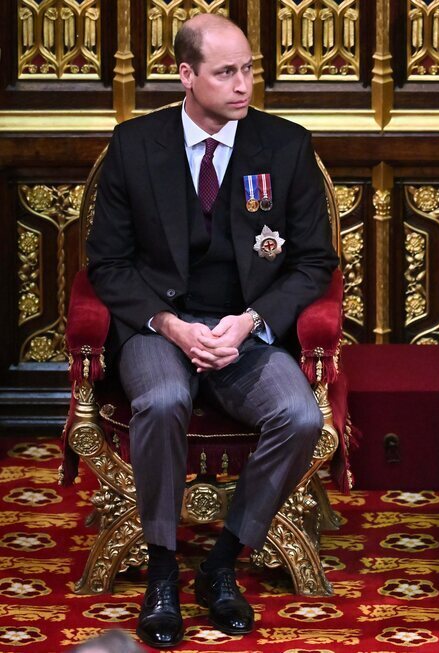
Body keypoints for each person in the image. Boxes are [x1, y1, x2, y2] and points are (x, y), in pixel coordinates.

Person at [86, 13, 338, 649]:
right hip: (158, 327)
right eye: (226, 72)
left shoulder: (285, 147)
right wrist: (169, 325)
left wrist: (251, 322)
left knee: (301, 417)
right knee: (165, 399)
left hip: (244, 328)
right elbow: (107, 265)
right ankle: (163, 571)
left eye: (248, 69)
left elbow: (315, 262)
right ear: (187, 76)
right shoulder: (135, 146)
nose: (243, 84)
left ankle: (222, 562)